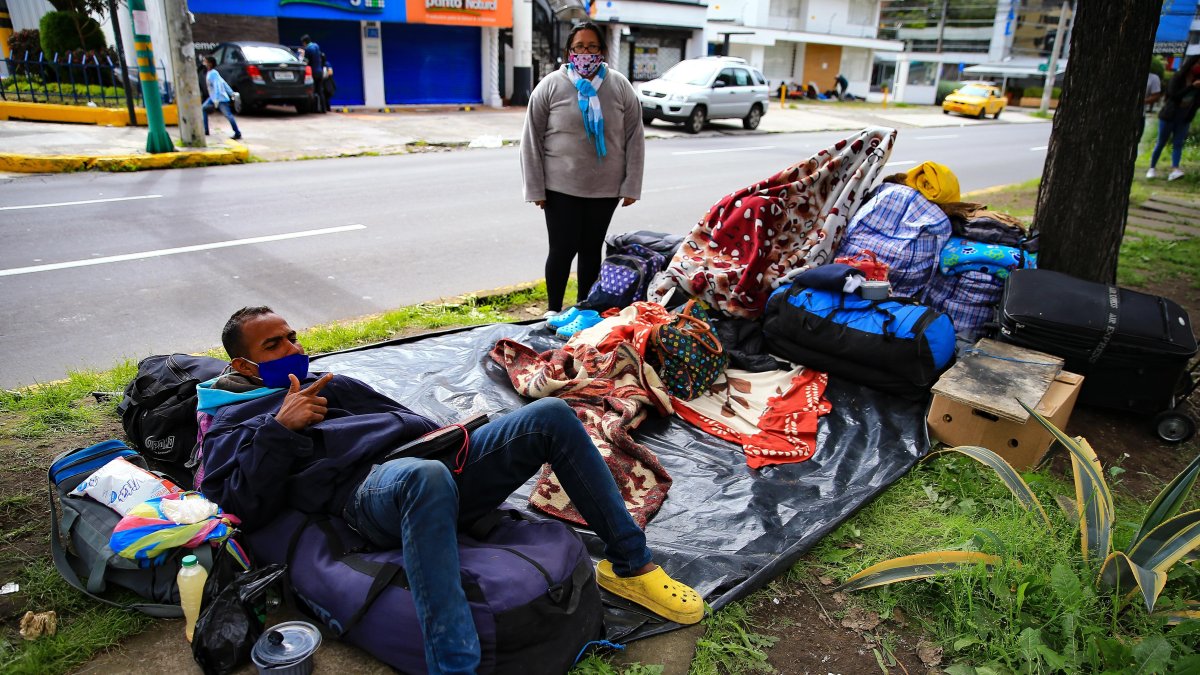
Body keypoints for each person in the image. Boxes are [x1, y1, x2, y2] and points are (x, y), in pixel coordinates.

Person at [199, 306, 703, 674]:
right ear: (244, 366)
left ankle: (631, 565)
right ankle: (453, 663)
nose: (293, 349)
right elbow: (239, 505)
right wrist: (280, 431)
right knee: (425, 477)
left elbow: (407, 420)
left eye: (292, 337)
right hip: (370, 495)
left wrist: (455, 439)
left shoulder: (331, 382)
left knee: (549, 414)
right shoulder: (236, 419)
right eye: (274, 345)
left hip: (426, 461)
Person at [521, 22, 644, 318]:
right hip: (559, 187)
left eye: (592, 46)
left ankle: (584, 310)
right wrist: (535, 188)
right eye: (579, 47)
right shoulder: (550, 85)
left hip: (605, 189)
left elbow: (634, 137)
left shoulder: (619, 86)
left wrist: (631, 185)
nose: (585, 52)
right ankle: (553, 309)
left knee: (591, 250)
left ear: (602, 51)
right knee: (562, 249)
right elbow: (531, 138)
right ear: (569, 52)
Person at [1148, 56, 1200, 181]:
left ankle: (1175, 169)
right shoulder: (1177, 78)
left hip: (1185, 116)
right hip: (1169, 115)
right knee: (1161, 142)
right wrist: (1191, 87)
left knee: (1178, 143)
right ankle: (1152, 168)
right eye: (1198, 63)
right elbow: (1173, 95)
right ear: (1191, 64)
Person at [201, 56, 241, 140]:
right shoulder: (211, 72)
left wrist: (217, 99)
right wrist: (231, 93)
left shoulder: (213, 73)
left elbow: (218, 85)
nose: (204, 63)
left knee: (228, 115)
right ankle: (206, 130)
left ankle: (237, 133)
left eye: (205, 61)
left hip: (220, 98)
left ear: (210, 63)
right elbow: (224, 83)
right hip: (213, 97)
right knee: (203, 108)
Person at [300, 35, 325, 114]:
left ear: (304, 42)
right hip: (320, 72)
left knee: (312, 91)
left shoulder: (308, 49)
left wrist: (302, 54)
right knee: (320, 91)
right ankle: (323, 109)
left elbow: (305, 62)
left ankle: (313, 109)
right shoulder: (316, 46)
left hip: (313, 73)